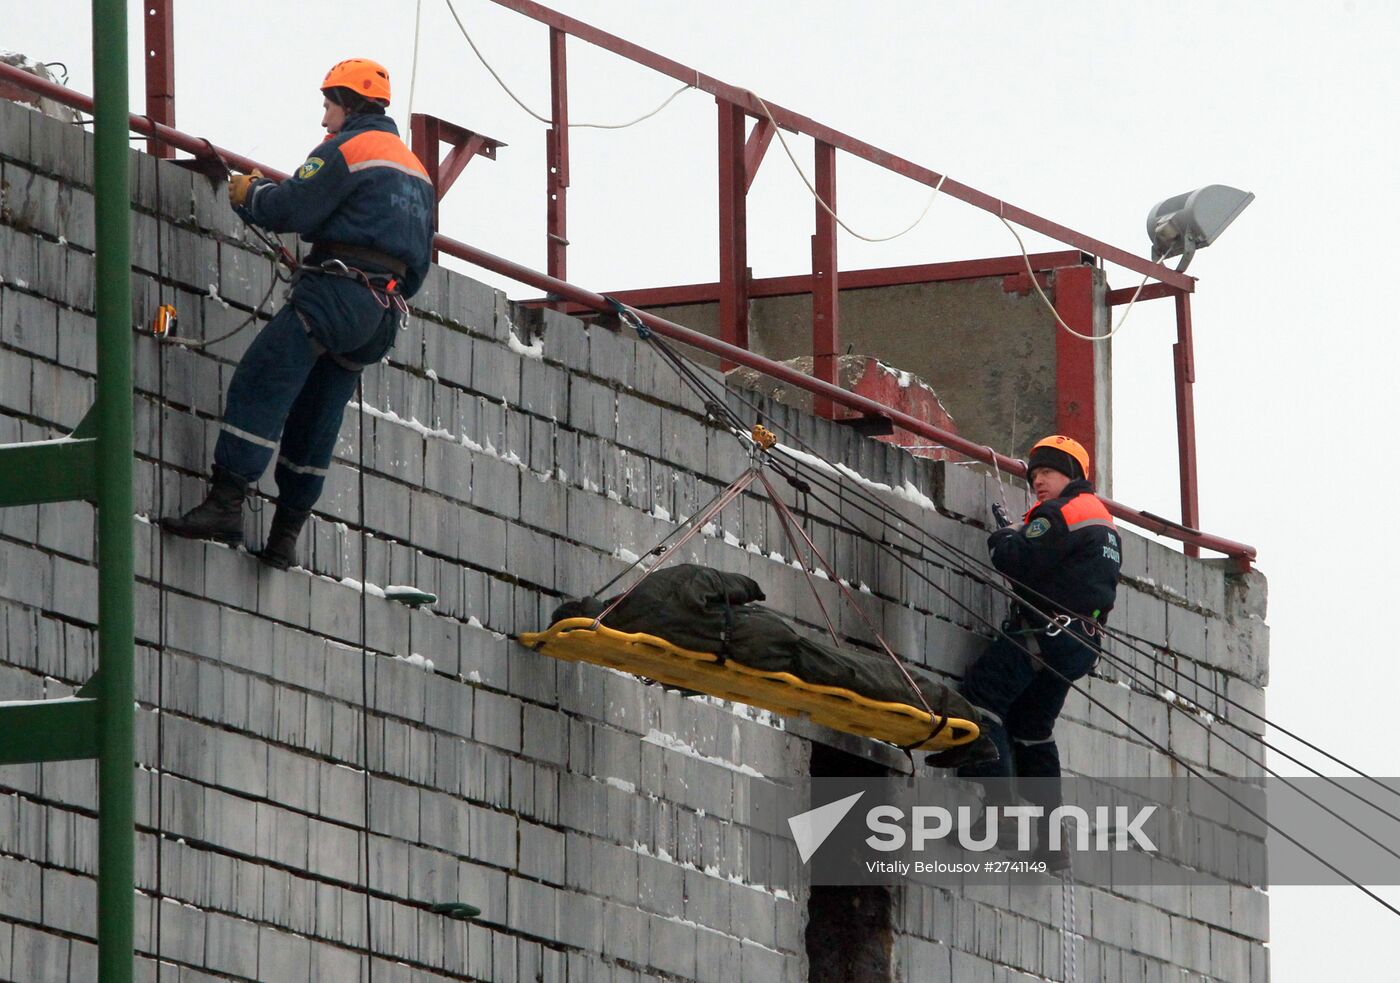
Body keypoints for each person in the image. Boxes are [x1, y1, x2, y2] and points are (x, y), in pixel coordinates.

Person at [163, 58, 435, 569]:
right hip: (380, 317)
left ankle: (225, 504)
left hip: (336, 297)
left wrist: (250, 193)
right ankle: (285, 535)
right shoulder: (417, 172)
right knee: (317, 416)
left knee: (261, 381)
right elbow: (420, 264)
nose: (324, 117)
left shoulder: (348, 149)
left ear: (349, 102)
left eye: (328, 104)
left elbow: (293, 209)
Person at [956, 435, 1121, 867]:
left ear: (1070, 474)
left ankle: (1002, 814)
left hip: (1044, 634)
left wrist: (1002, 538)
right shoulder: (1103, 521)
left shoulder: (1060, 513)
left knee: (982, 697)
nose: (1038, 482)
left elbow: (1017, 561)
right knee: (1031, 726)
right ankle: (1052, 837)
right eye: (1033, 475)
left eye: (1047, 472)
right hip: (1078, 645)